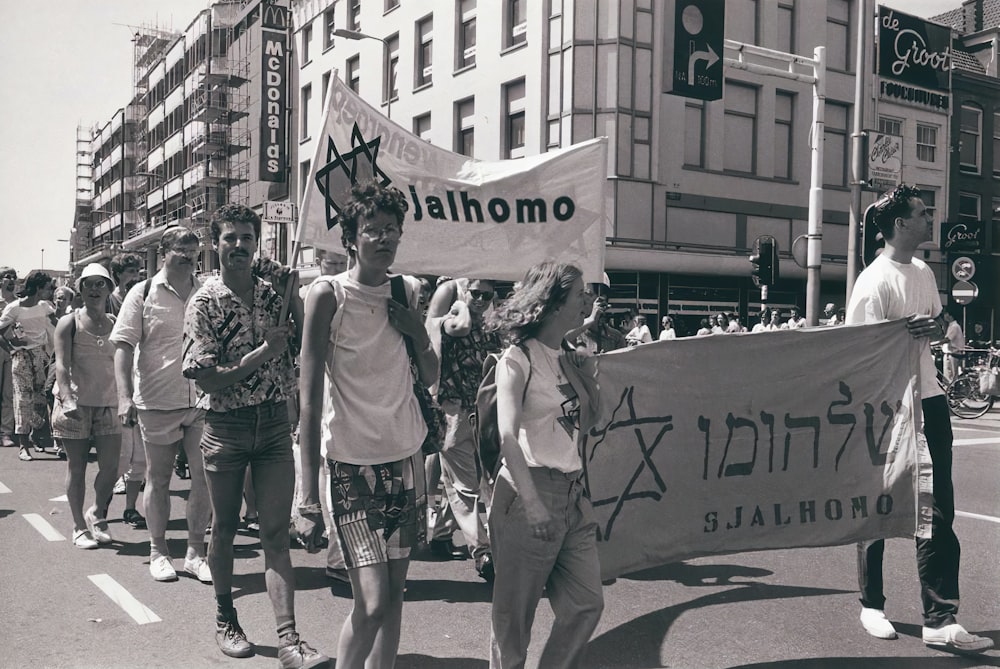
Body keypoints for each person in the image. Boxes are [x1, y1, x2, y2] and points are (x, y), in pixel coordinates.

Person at [846, 184, 992, 654]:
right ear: (899, 225)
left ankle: (940, 615)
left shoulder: (925, 271)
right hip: (887, 403)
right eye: (922, 213)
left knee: (937, 507)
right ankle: (871, 603)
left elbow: (945, 328)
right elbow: (858, 352)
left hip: (928, 400)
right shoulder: (872, 281)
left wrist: (938, 329)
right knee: (881, 504)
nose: (930, 219)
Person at [296, 180, 434, 668]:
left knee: (394, 597)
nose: (384, 238)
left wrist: (418, 332)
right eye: (372, 229)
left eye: (391, 229)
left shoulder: (408, 289)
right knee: (371, 603)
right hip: (352, 467)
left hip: (407, 459)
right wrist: (307, 496)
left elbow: (430, 374)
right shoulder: (327, 295)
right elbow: (308, 399)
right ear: (350, 239)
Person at [182, 205, 326, 667]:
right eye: (230, 239)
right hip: (225, 426)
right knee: (224, 527)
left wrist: (296, 292)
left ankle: (289, 639)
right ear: (216, 244)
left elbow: (307, 339)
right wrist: (264, 352)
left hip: (272, 424)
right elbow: (206, 380)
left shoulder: (271, 294)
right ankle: (226, 616)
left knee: (275, 533)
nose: (239, 246)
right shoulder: (203, 302)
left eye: (247, 238)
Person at [484, 260, 603, 668]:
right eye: (579, 295)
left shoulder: (567, 356)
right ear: (554, 305)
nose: (586, 300)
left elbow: (587, 424)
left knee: (586, 604)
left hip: (571, 494)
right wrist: (532, 502)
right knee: (512, 624)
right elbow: (507, 435)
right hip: (527, 492)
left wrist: (587, 375)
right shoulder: (517, 359)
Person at [112, 227, 211, 581]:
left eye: (193, 250)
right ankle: (158, 550)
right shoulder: (143, 293)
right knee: (159, 477)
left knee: (203, 479)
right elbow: (122, 347)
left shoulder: (208, 291)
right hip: (156, 401)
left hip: (202, 400)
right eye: (181, 249)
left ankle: (196, 552)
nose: (188, 256)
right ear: (164, 252)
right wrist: (124, 398)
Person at [425, 276, 501, 579]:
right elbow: (461, 327)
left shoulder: (487, 325)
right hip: (452, 411)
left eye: (487, 295)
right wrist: (460, 298)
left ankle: (442, 535)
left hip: (480, 413)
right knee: (465, 488)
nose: (481, 300)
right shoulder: (450, 319)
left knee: (458, 482)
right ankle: (483, 552)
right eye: (476, 293)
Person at [52, 264, 122, 549]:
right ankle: (79, 526)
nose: (94, 290)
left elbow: (123, 363)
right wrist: (67, 398)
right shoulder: (69, 322)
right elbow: (61, 364)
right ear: (80, 289)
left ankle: (97, 513)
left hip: (109, 403)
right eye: (88, 284)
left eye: (100, 284)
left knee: (112, 468)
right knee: (77, 466)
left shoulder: (115, 321)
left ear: (109, 288)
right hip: (76, 405)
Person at [106, 251, 147, 531]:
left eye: (138, 270)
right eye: (131, 270)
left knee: (140, 456)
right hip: (115, 375)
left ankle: (131, 509)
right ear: (119, 273)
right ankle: (100, 511)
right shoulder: (109, 299)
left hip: (141, 374)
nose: (136, 275)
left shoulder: (144, 296)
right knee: (119, 454)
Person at [0, 270, 57, 461]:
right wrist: (10, 348)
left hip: (41, 356)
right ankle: (23, 446)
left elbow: (57, 325)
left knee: (40, 399)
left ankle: (35, 436)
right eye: (48, 287)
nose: (50, 291)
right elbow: (1, 330)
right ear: (38, 288)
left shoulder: (46, 307)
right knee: (23, 399)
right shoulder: (14, 308)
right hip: (22, 357)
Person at [567, 282, 626, 354]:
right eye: (580, 293)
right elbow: (560, 338)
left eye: (588, 293)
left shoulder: (616, 338)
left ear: (601, 299)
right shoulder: (574, 333)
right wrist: (591, 319)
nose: (583, 298)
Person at [0, 267, 17, 447]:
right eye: (7, 277)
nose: (11, 280)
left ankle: (6, 433)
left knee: (8, 393)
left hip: (12, 350)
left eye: (14, 277)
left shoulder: (19, 303)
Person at [940, 312, 965, 383]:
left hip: (953, 354)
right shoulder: (951, 326)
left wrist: (934, 343)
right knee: (948, 375)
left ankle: (953, 391)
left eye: (946, 314)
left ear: (951, 316)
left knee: (951, 376)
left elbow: (948, 339)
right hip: (949, 353)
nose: (944, 316)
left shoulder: (954, 326)